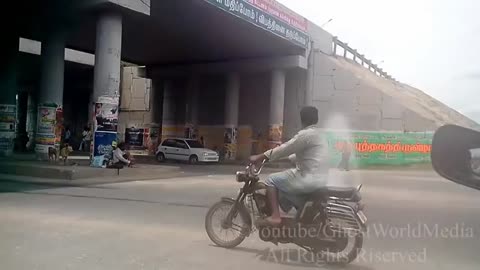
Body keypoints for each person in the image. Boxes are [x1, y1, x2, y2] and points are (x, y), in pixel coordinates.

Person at [249, 106, 330, 226]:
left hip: (309, 178)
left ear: (302, 119)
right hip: (321, 178)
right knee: (285, 180)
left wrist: (260, 157)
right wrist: (287, 159)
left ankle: (275, 216)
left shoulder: (305, 135)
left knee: (271, 180)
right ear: (316, 119)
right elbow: (305, 156)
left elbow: (285, 148)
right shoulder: (320, 135)